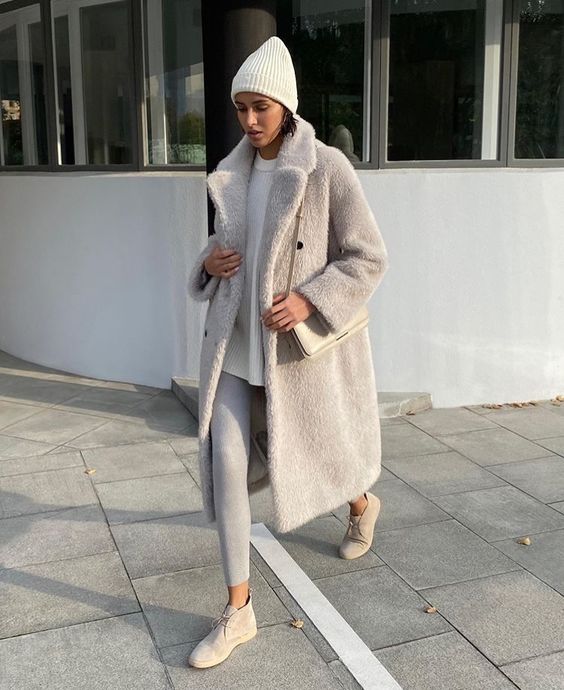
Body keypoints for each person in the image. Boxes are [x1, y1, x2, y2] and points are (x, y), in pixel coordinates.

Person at [186, 36, 389, 669]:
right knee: (226, 463)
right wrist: (208, 263)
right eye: (241, 108)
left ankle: (361, 504)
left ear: (286, 106)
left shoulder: (326, 168)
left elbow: (367, 257)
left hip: (295, 354)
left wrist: (308, 300)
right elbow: (228, 249)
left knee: (321, 456)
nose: (249, 120)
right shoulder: (232, 170)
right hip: (235, 347)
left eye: (261, 108)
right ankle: (238, 610)